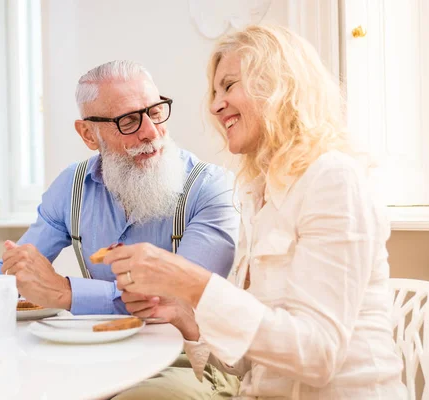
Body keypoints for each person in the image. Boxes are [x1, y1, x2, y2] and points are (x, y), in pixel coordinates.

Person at [106, 26, 407, 399]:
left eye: (229, 86)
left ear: (279, 87)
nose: (215, 105)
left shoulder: (333, 179)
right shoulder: (258, 195)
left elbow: (317, 356)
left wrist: (194, 284)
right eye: (214, 92)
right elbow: (249, 363)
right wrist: (184, 313)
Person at [0, 60, 241, 398]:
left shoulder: (212, 188)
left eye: (155, 111)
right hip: (98, 354)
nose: (151, 131)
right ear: (89, 134)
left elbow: (176, 301)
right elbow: (12, 273)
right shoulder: (71, 188)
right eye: (129, 120)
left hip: (189, 359)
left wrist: (65, 293)